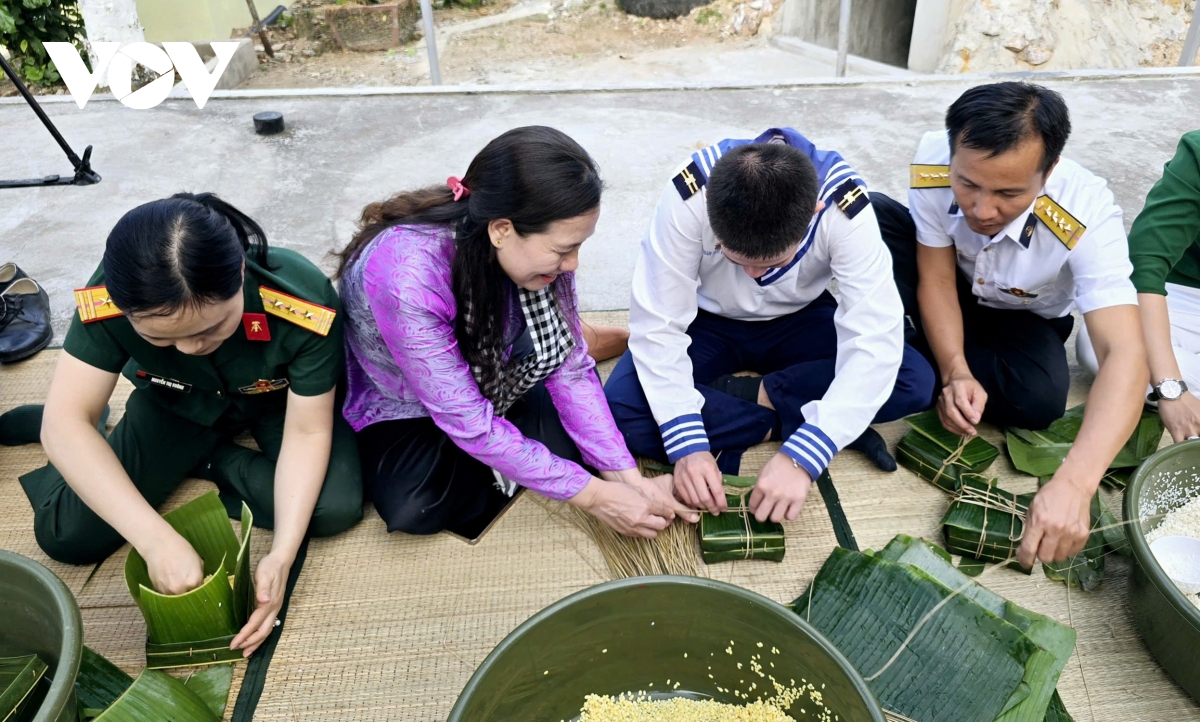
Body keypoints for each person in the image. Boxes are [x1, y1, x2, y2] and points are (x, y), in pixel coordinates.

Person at [19, 193, 364, 657]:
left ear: (239, 274)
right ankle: (174, 450)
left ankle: (210, 459)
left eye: (212, 328)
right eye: (160, 337)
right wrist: (154, 539)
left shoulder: (298, 299)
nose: (189, 348)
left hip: (274, 404)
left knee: (330, 509)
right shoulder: (112, 296)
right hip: (173, 404)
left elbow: (309, 431)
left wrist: (280, 556)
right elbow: (64, 424)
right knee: (66, 534)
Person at [333, 125, 695, 540]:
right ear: (502, 230)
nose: (573, 264)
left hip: (500, 368)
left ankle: (587, 342)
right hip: (411, 401)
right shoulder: (406, 277)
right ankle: (591, 343)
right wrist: (595, 496)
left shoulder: (540, 261)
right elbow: (467, 420)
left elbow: (569, 368)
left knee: (594, 440)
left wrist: (627, 480)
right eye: (563, 250)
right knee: (415, 508)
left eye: (578, 247)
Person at [876, 82, 1147, 567]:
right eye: (968, 184)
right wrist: (957, 370)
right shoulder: (936, 161)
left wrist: (1075, 482)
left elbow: (1125, 353)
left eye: (1008, 193)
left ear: (1049, 171)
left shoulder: (1087, 213)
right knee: (873, 217)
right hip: (951, 286)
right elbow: (935, 277)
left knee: (1039, 399)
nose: (981, 210)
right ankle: (938, 359)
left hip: (1022, 318)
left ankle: (911, 349)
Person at [604, 128, 937, 524]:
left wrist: (802, 458)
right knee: (620, 407)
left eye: (771, 263)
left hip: (800, 319)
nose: (752, 273)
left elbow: (875, 336)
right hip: (707, 322)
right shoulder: (690, 193)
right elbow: (658, 322)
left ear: (812, 213)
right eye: (734, 257)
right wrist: (689, 447)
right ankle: (792, 418)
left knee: (913, 380)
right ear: (710, 210)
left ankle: (744, 398)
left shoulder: (843, 206)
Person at [1078, 131, 1200, 444]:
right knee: (1098, 344)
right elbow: (1146, 263)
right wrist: (1171, 387)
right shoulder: (1198, 151)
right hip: (1188, 297)